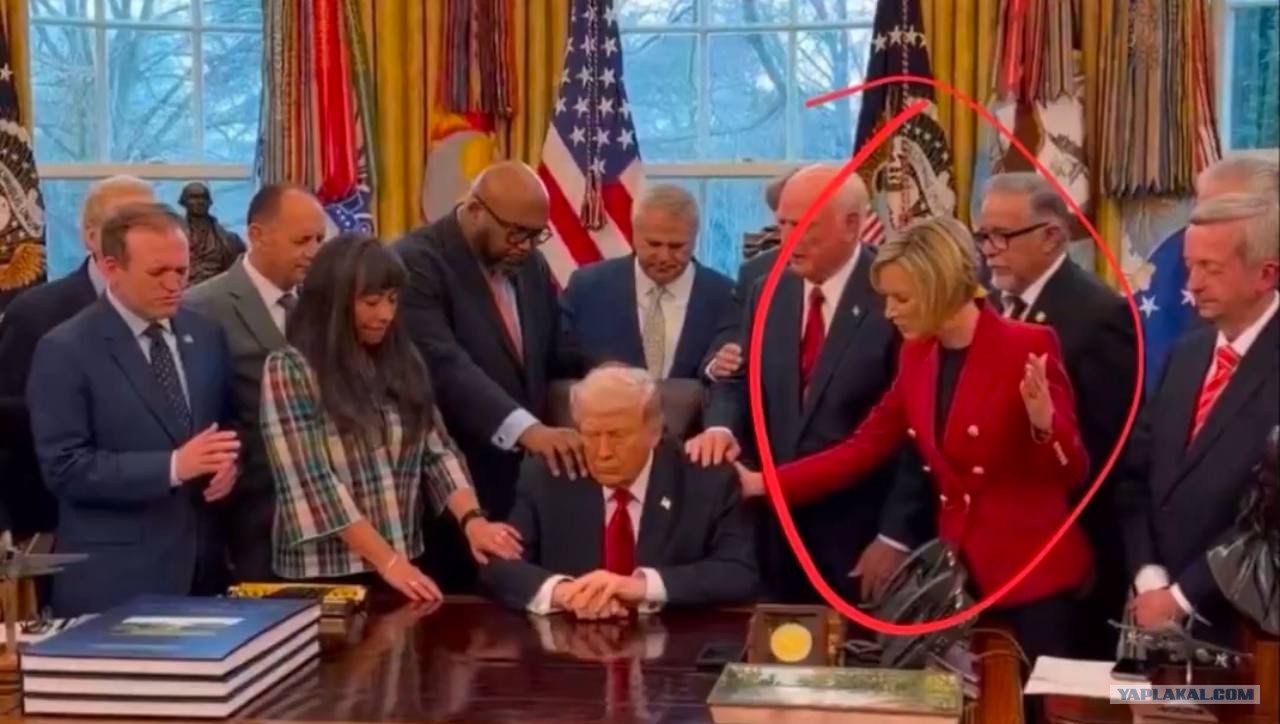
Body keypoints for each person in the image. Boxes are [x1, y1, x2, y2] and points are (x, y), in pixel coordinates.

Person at [738, 215, 1093, 661]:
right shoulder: (917, 355)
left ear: (939, 287)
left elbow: (1072, 472)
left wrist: (1044, 424)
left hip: (1033, 584)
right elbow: (862, 447)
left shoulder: (1027, 345)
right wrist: (763, 484)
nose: (889, 312)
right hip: (954, 583)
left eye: (901, 298)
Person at [686, 165, 927, 604]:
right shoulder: (766, 288)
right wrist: (720, 426)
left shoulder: (894, 294)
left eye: (803, 226)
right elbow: (735, 375)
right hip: (770, 532)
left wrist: (895, 536)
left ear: (852, 225)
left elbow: (916, 433)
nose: (788, 239)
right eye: (783, 223)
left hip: (859, 538)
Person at [260, 233, 520, 600]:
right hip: (327, 574)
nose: (385, 314)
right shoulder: (290, 369)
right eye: (371, 302)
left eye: (393, 300)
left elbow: (437, 452)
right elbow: (312, 482)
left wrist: (472, 520)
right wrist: (388, 562)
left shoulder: (403, 363)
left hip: (405, 562)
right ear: (334, 302)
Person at [27, 203, 238, 616]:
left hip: (204, 573)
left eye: (181, 270)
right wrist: (173, 467)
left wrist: (229, 464)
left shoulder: (206, 334)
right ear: (111, 267)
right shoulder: (65, 350)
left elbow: (226, 425)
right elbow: (65, 467)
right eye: (157, 272)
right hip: (115, 583)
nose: (174, 284)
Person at [393, 160, 584, 591]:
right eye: (516, 233)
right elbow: (445, 366)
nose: (526, 246)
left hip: (523, 490)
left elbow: (555, 352)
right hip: (453, 490)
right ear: (475, 209)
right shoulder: (416, 263)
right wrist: (528, 430)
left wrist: (607, 375)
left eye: (537, 235)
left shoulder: (530, 265)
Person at [976, 171, 1137, 656]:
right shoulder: (980, 300)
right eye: (983, 235)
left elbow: (1106, 452)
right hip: (984, 554)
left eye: (1002, 236)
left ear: (1052, 236)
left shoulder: (1099, 315)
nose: (988, 250)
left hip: (1062, 565)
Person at [1118, 193, 1279, 645]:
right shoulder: (1185, 354)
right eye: (1190, 266)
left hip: (1246, 633)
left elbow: (1269, 519)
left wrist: (1183, 597)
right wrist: (1149, 576)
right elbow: (1135, 478)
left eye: (1211, 268)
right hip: (1153, 614)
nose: (1193, 283)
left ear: (1266, 274)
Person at [481, 365, 756, 616]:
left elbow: (738, 572)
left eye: (617, 436)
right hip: (572, 646)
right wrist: (563, 593)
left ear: (654, 431)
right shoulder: (548, 475)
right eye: (591, 434)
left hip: (673, 645)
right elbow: (500, 565)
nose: (603, 452)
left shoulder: (705, 479)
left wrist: (642, 587)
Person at [0, 176, 155, 540]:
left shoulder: (183, 313)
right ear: (89, 236)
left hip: (158, 522)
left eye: (148, 225)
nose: (137, 239)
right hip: (57, 523)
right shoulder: (36, 314)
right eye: (124, 226)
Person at [185, 184, 327, 582]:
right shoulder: (200, 308)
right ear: (256, 235)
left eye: (319, 240)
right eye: (301, 240)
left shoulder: (323, 304)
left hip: (324, 519)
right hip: (246, 520)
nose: (313, 251)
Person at [560, 185, 733, 379]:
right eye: (654, 244)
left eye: (676, 246)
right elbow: (561, 365)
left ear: (694, 239)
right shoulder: (587, 288)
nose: (664, 256)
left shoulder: (726, 297)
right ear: (634, 235)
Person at [704, 168, 798, 382]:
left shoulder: (868, 270)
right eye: (785, 221)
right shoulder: (755, 272)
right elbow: (729, 344)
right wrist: (718, 364)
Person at [179, 182, 246, 286]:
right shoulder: (172, 237)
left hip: (218, 290)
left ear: (210, 202)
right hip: (183, 290)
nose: (199, 202)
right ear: (183, 201)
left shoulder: (230, 240)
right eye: (194, 197)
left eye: (203, 197)